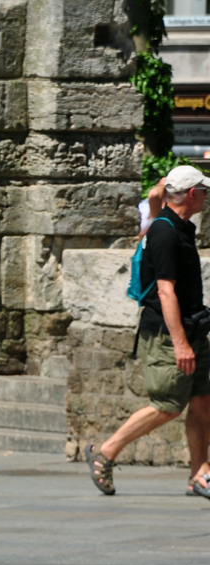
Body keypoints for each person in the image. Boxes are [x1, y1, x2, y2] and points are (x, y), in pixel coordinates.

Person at [87, 166, 210, 497]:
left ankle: (200, 473)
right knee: (168, 403)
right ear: (191, 194)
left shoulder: (182, 226)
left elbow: (159, 189)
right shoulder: (165, 233)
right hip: (170, 335)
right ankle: (107, 451)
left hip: (194, 326)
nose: (206, 196)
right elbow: (166, 291)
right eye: (204, 190)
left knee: (201, 401)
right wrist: (181, 344)